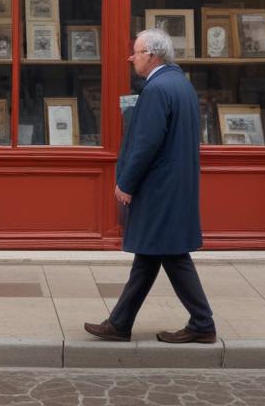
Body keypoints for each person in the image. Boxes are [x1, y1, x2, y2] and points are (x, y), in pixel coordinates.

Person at [84, 27, 217, 344]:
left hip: (159, 188)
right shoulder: (180, 85)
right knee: (149, 255)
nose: (131, 58)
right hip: (174, 185)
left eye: (137, 52)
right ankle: (120, 323)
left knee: (171, 255)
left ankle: (202, 323)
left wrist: (126, 183)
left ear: (152, 56)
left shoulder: (157, 90)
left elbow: (146, 143)